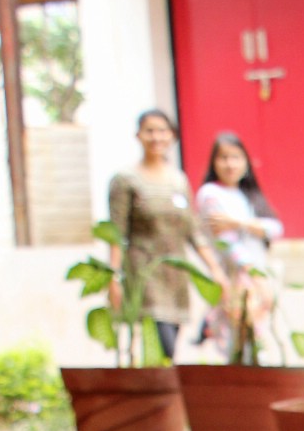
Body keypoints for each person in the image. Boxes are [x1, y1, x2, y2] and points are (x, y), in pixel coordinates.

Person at [106, 110, 224, 361]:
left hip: (175, 272)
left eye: (162, 131)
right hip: (145, 271)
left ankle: (164, 389)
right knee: (161, 341)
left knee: (172, 340)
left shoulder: (177, 179)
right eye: (149, 130)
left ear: (172, 136)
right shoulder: (126, 179)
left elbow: (192, 230)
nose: (156, 137)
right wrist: (113, 277)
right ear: (138, 135)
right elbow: (116, 232)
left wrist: (214, 269)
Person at [195, 132, 284, 360]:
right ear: (214, 163)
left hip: (258, 276)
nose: (230, 164)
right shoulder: (210, 194)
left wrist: (238, 223)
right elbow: (227, 243)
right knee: (236, 343)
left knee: (258, 344)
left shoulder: (249, 196)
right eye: (223, 157)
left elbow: (275, 229)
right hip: (235, 279)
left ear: (246, 161)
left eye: (236, 157)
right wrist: (254, 276)